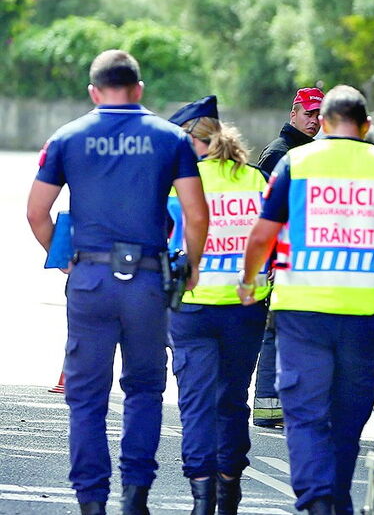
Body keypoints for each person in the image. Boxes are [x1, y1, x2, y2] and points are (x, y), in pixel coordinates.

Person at [25, 50, 209, 515]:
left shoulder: (67, 138)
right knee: (144, 390)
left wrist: (66, 259)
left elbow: (35, 212)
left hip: (89, 281)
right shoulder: (171, 139)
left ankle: (91, 502)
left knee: (86, 396)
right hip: (147, 281)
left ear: (93, 91)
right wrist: (191, 266)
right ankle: (136, 496)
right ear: (139, 89)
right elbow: (195, 214)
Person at [236, 85, 374, 515]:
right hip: (364, 317)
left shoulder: (295, 163)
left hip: (302, 313)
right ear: (367, 126)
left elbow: (262, 235)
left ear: (323, 122)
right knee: (346, 416)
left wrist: (248, 280)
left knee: (303, 412)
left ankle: (319, 499)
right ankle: (335, 496)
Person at [165, 95, 270, 515]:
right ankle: (230, 490)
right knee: (232, 400)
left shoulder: (183, 183)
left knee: (195, 401)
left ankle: (202, 497)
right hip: (245, 306)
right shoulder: (256, 180)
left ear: (193, 139)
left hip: (192, 304)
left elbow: (166, 238)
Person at [252, 86, 324, 428]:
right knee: (276, 331)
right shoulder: (280, 153)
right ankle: (268, 404)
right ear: (293, 113)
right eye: (308, 114)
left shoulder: (312, 153)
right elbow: (264, 213)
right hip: (280, 261)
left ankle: (285, 403)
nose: (314, 121)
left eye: (319, 115)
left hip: (303, 259)